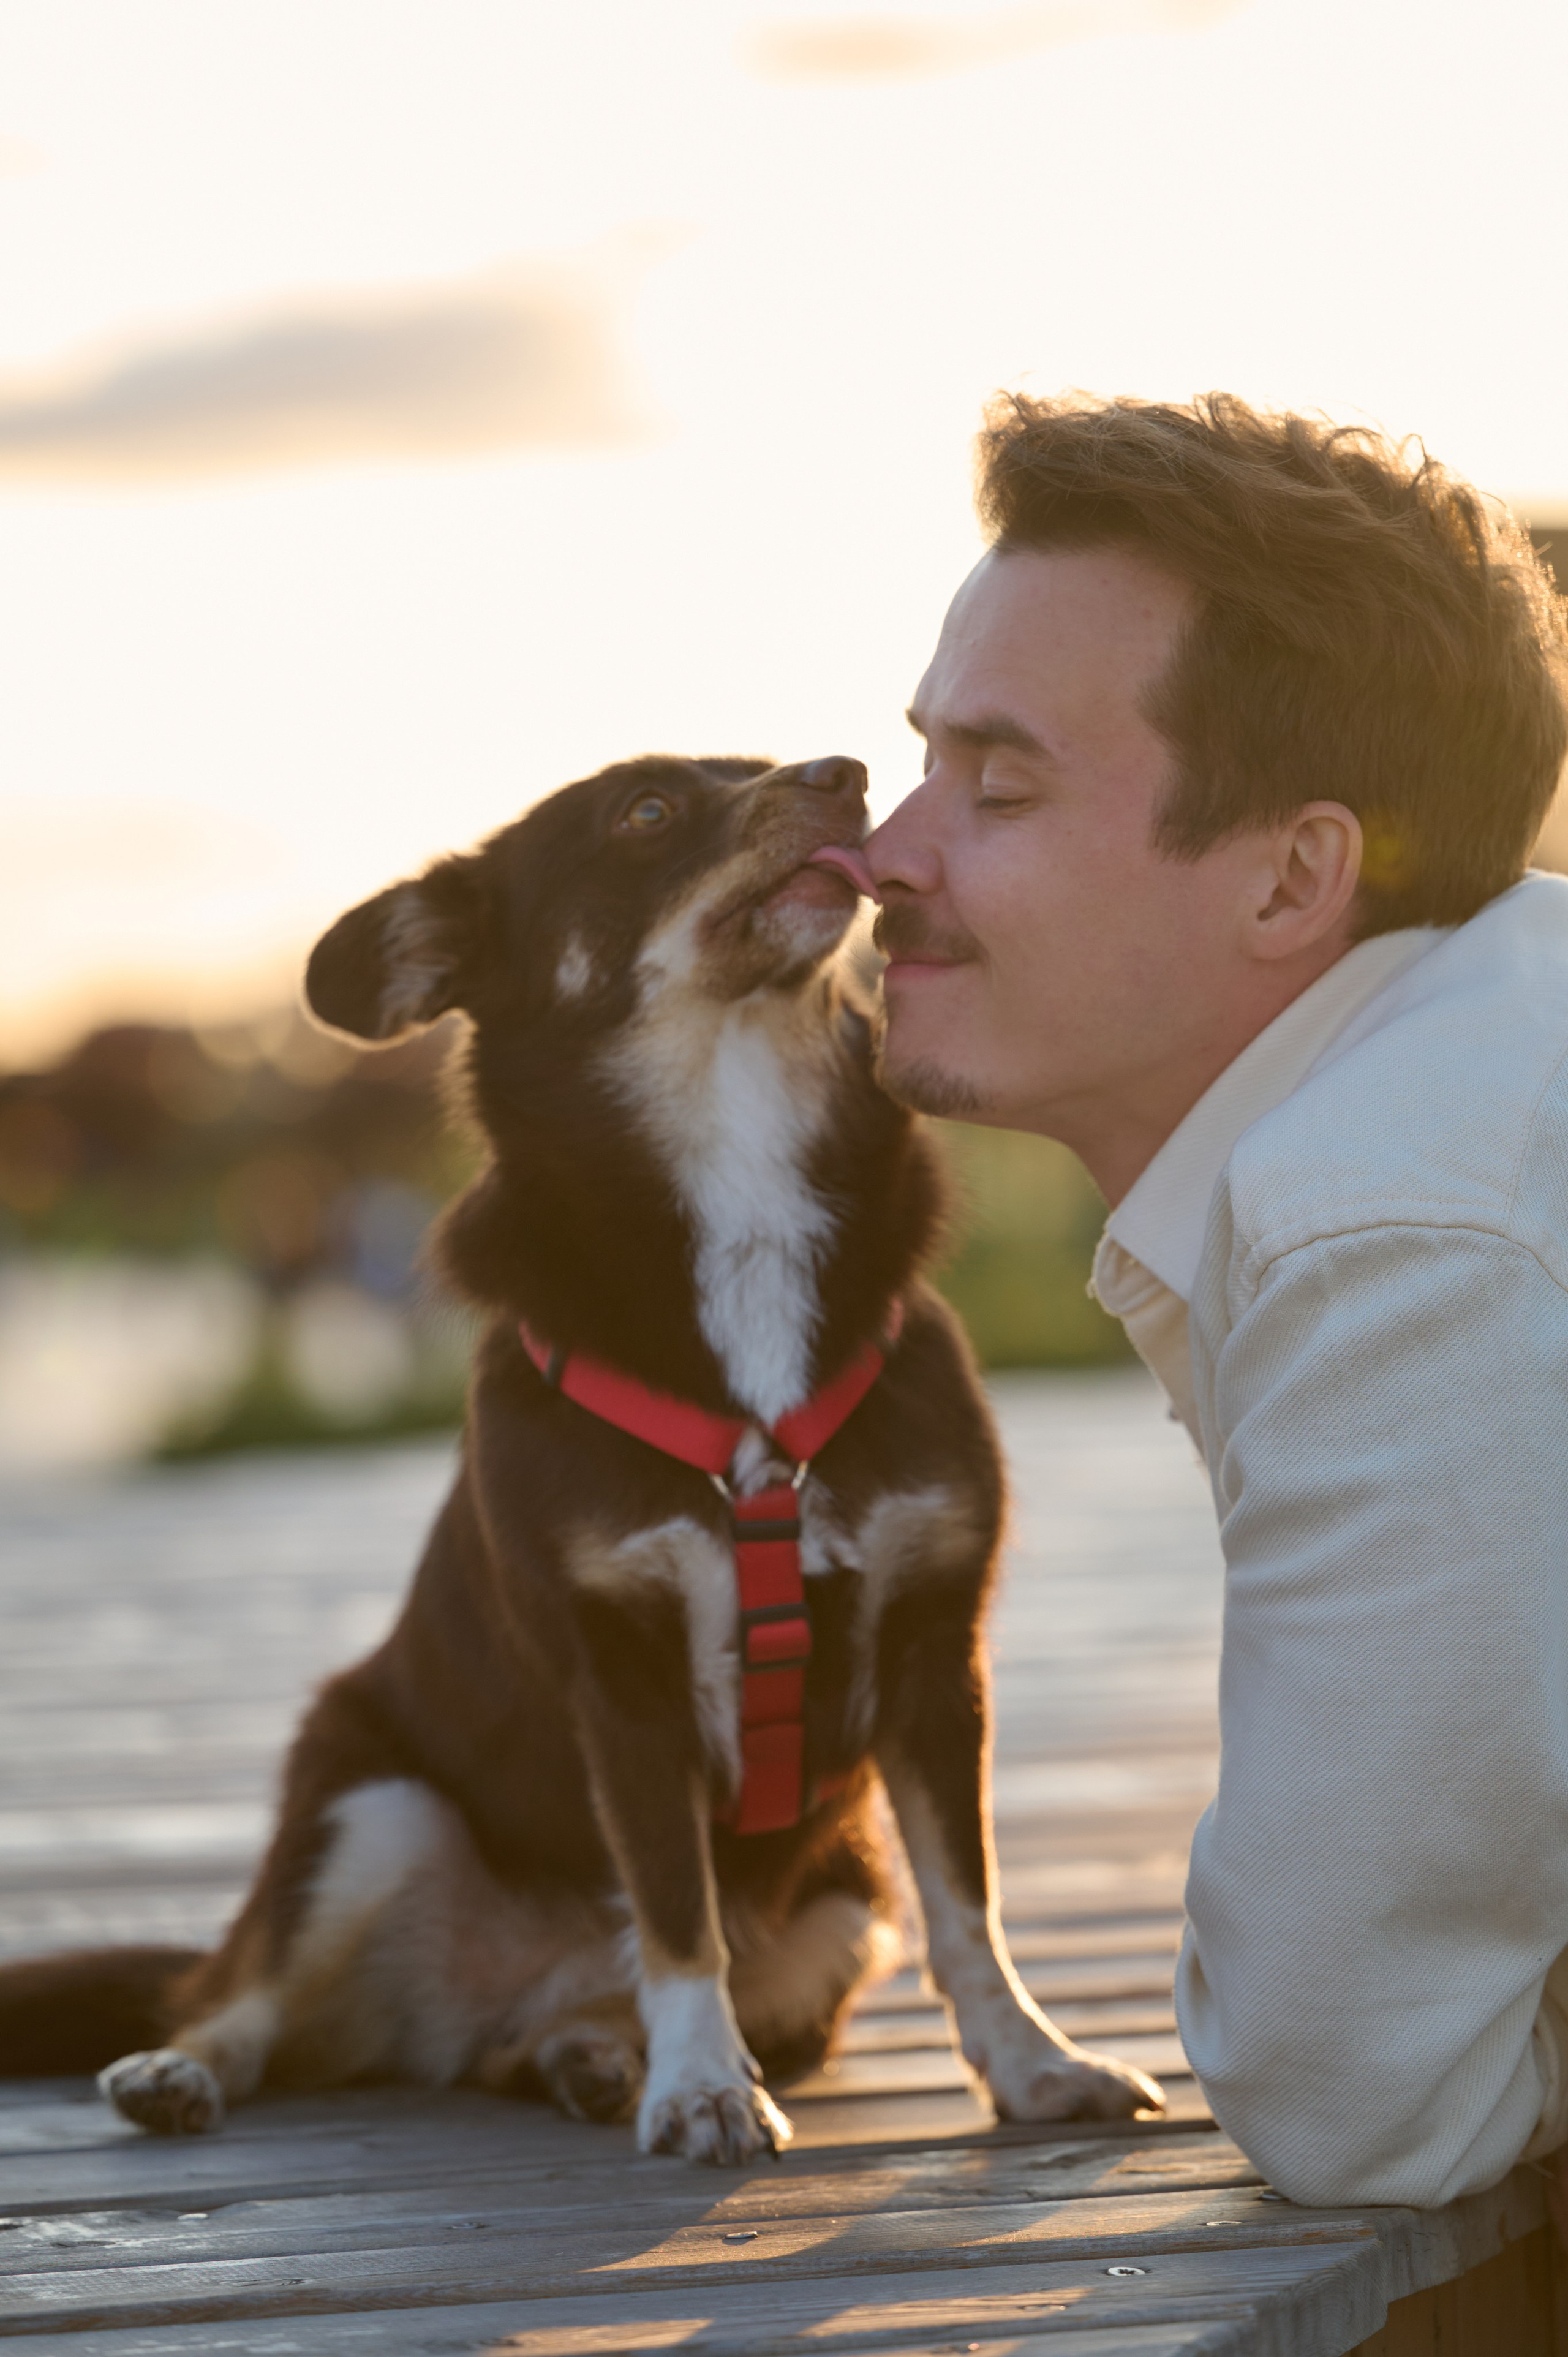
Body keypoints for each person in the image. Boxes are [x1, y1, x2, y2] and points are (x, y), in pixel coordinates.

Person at [862, 391, 1568, 2209]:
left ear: (1295, 876)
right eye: (925, 764)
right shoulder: (1479, 1070)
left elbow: (1346, 2082)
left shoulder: (1390, 1223)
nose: (885, 853)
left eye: (999, 788)